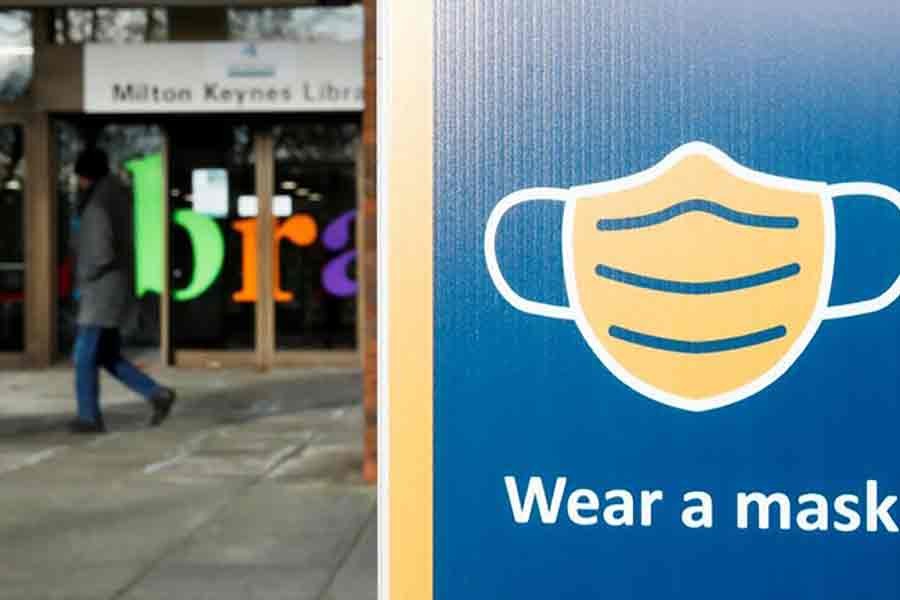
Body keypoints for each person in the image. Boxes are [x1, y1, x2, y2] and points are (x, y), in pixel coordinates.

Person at [69, 147, 175, 434]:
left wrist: (84, 274)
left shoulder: (98, 203)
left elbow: (100, 252)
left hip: (99, 293)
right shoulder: (118, 195)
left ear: (86, 175)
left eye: (79, 176)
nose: (78, 182)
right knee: (105, 355)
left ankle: (88, 417)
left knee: (83, 355)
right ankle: (155, 393)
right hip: (115, 290)